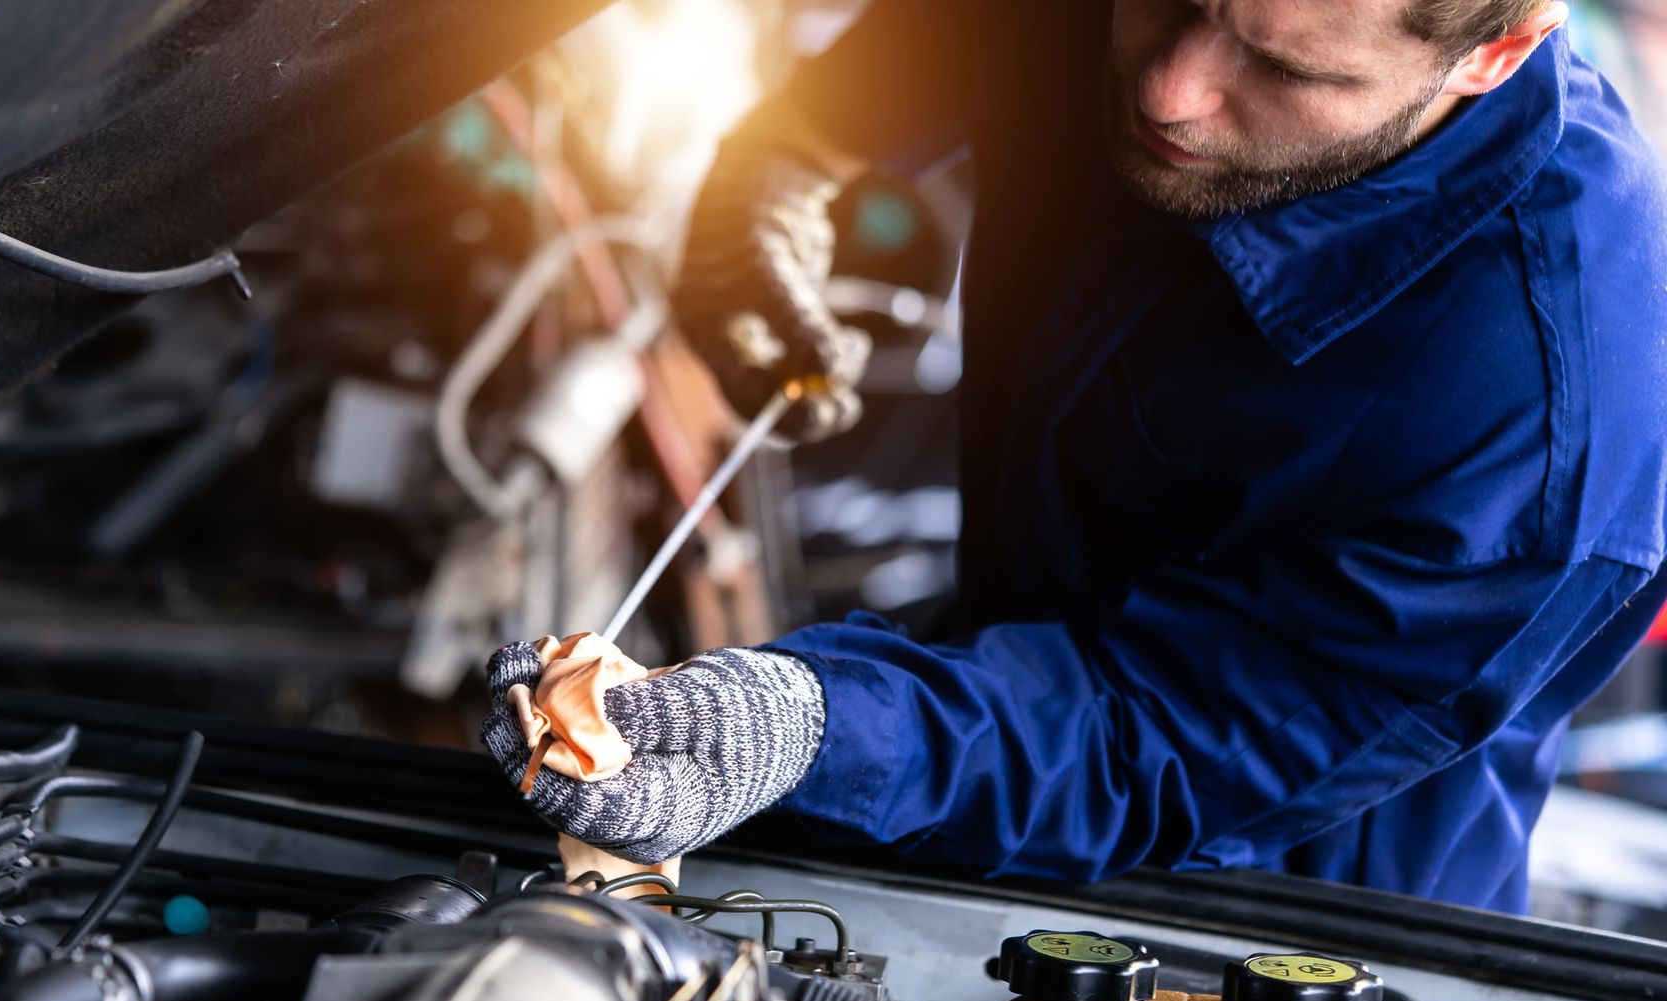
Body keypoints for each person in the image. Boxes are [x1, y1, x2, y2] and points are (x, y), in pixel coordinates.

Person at [483, 0, 1667, 913]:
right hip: (978, 725)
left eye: (1291, 69)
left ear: (1493, 55)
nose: (1169, 86)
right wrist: (791, 154)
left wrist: (812, 725)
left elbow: (1149, 736)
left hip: (1277, 926)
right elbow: (967, 34)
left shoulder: (1550, 422)